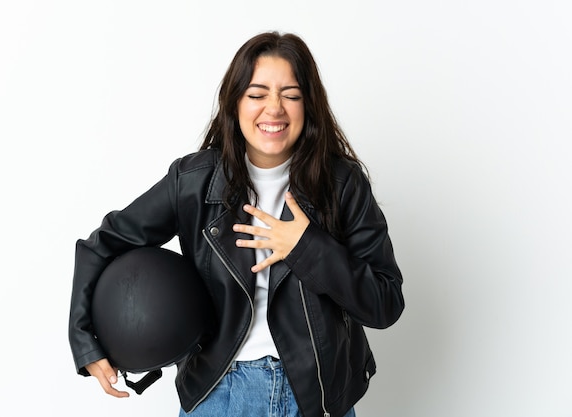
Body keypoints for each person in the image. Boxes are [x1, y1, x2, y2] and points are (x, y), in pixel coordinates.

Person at [69, 31, 404, 417]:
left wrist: (307, 248)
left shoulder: (342, 184)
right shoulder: (193, 181)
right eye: (257, 94)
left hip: (317, 399)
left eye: (291, 95)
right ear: (235, 103)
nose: (274, 109)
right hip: (220, 393)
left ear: (309, 105)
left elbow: (385, 304)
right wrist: (85, 343)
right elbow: (102, 244)